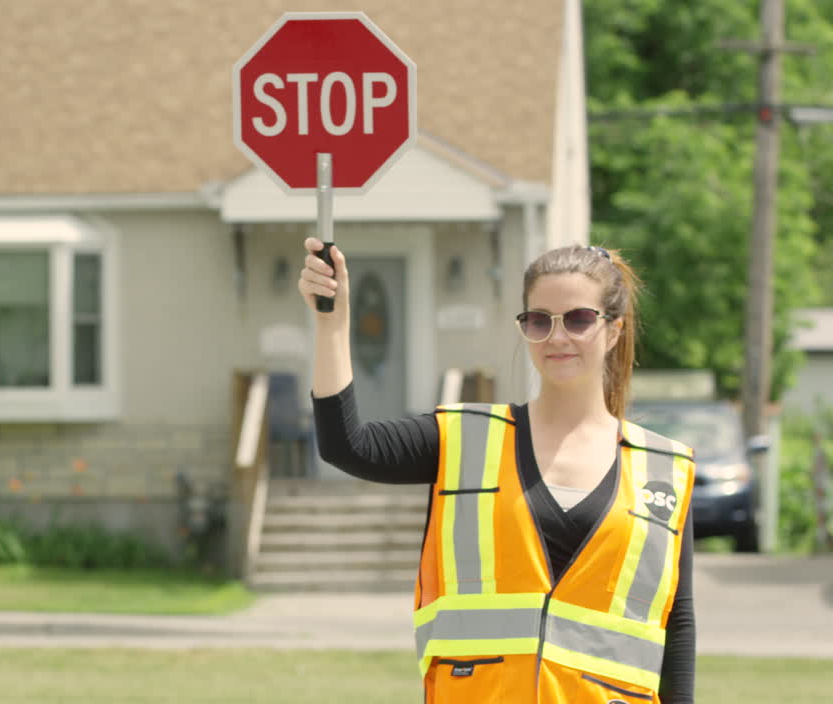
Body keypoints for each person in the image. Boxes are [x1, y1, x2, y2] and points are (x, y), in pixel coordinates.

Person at [297, 238, 696, 703]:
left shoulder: (664, 470)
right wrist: (332, 322)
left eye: (579, 319)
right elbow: (347, 446)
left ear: (613, 330)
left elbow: (677, 622)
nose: (557, 337)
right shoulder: (464, 439)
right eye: (539, 320)